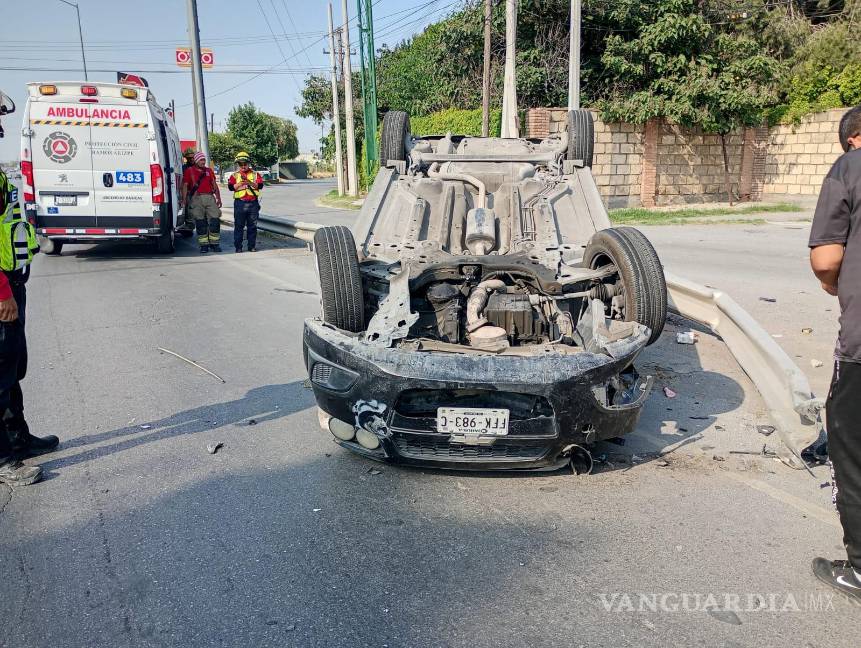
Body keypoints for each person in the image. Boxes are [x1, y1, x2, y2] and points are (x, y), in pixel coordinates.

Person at [810, 105, 861, 600]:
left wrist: (835, 286)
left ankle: (859, 571)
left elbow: (827, 259)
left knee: (851, 450)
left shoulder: (850, 166)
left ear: (852, 139)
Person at [0, 167, 57, 487]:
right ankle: (4, 460)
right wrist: (2, 292)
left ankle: (18, 439)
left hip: (12, 283)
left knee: (12, 368)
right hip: (2, 289)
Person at [181, 151, 222, 253]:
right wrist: (184, 200)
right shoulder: (189, 171)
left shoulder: (209, 171)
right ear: (196, 161)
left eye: (204, 160)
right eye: (201, 160)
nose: (203, 162)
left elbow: (214, 184)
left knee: (215, 221)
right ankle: (204, 245)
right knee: (200, 223)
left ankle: (215, 244)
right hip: (196, 199)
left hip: (209, 197)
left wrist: (218, 198)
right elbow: (185, 186)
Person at [227, 152, 263, 253]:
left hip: (253, 204)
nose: (243, 166)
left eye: (245, 164)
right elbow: (230, 187)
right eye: (241, 164)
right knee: (239, 226)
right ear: (238, 164)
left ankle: (251, 246)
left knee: (252, 226)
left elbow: (260, 186)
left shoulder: (256, 174)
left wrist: (249, 182)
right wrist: (241, 183)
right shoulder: (234, 175)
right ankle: (238, 247)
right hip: (240, 204)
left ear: (248, 163)